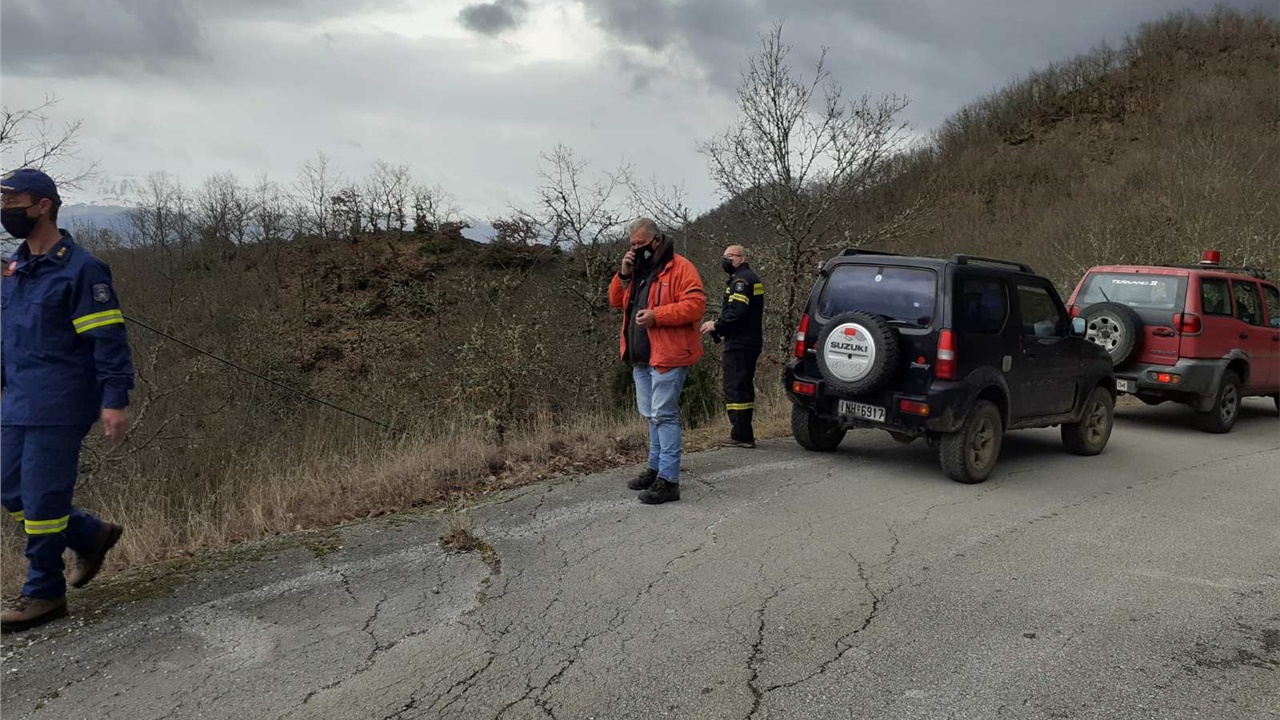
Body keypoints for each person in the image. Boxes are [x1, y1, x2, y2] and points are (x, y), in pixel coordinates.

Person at [1, 168, 134, 633]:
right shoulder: (15, 269)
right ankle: (89, 534)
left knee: (42, 498)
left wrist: (114, 398)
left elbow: (108, 340)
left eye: (13, 201)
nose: (5, 210)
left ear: (43, 206)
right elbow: (10, 337)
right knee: (9, 488)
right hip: (18, 399)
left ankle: (44, 591)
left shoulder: (82, 269)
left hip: (60, 400)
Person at [609, 218, 706, 505]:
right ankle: (654, 469)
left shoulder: (681, 267)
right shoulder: (637, 269)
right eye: (632, 244)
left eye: (640, 244)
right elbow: (616, 301)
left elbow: (696, 305)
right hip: (640, 357)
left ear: (656, 240)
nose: (635, 249)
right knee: (652, 416)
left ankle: (668, 480)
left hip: (669, 355)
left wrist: (657, 316)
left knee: (664, 415)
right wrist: (623, 274)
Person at [701, 245, 764, 448]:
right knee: (743, 386)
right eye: (724, 256)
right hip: (748, 341)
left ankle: (741, 435)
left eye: (730, 256)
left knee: (735, 387)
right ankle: (743, 432)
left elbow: (737, 313)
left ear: (742, 258)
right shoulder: (748, 278)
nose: (726, 260)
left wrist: (716, 325)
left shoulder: (741, 281)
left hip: (740, 343)